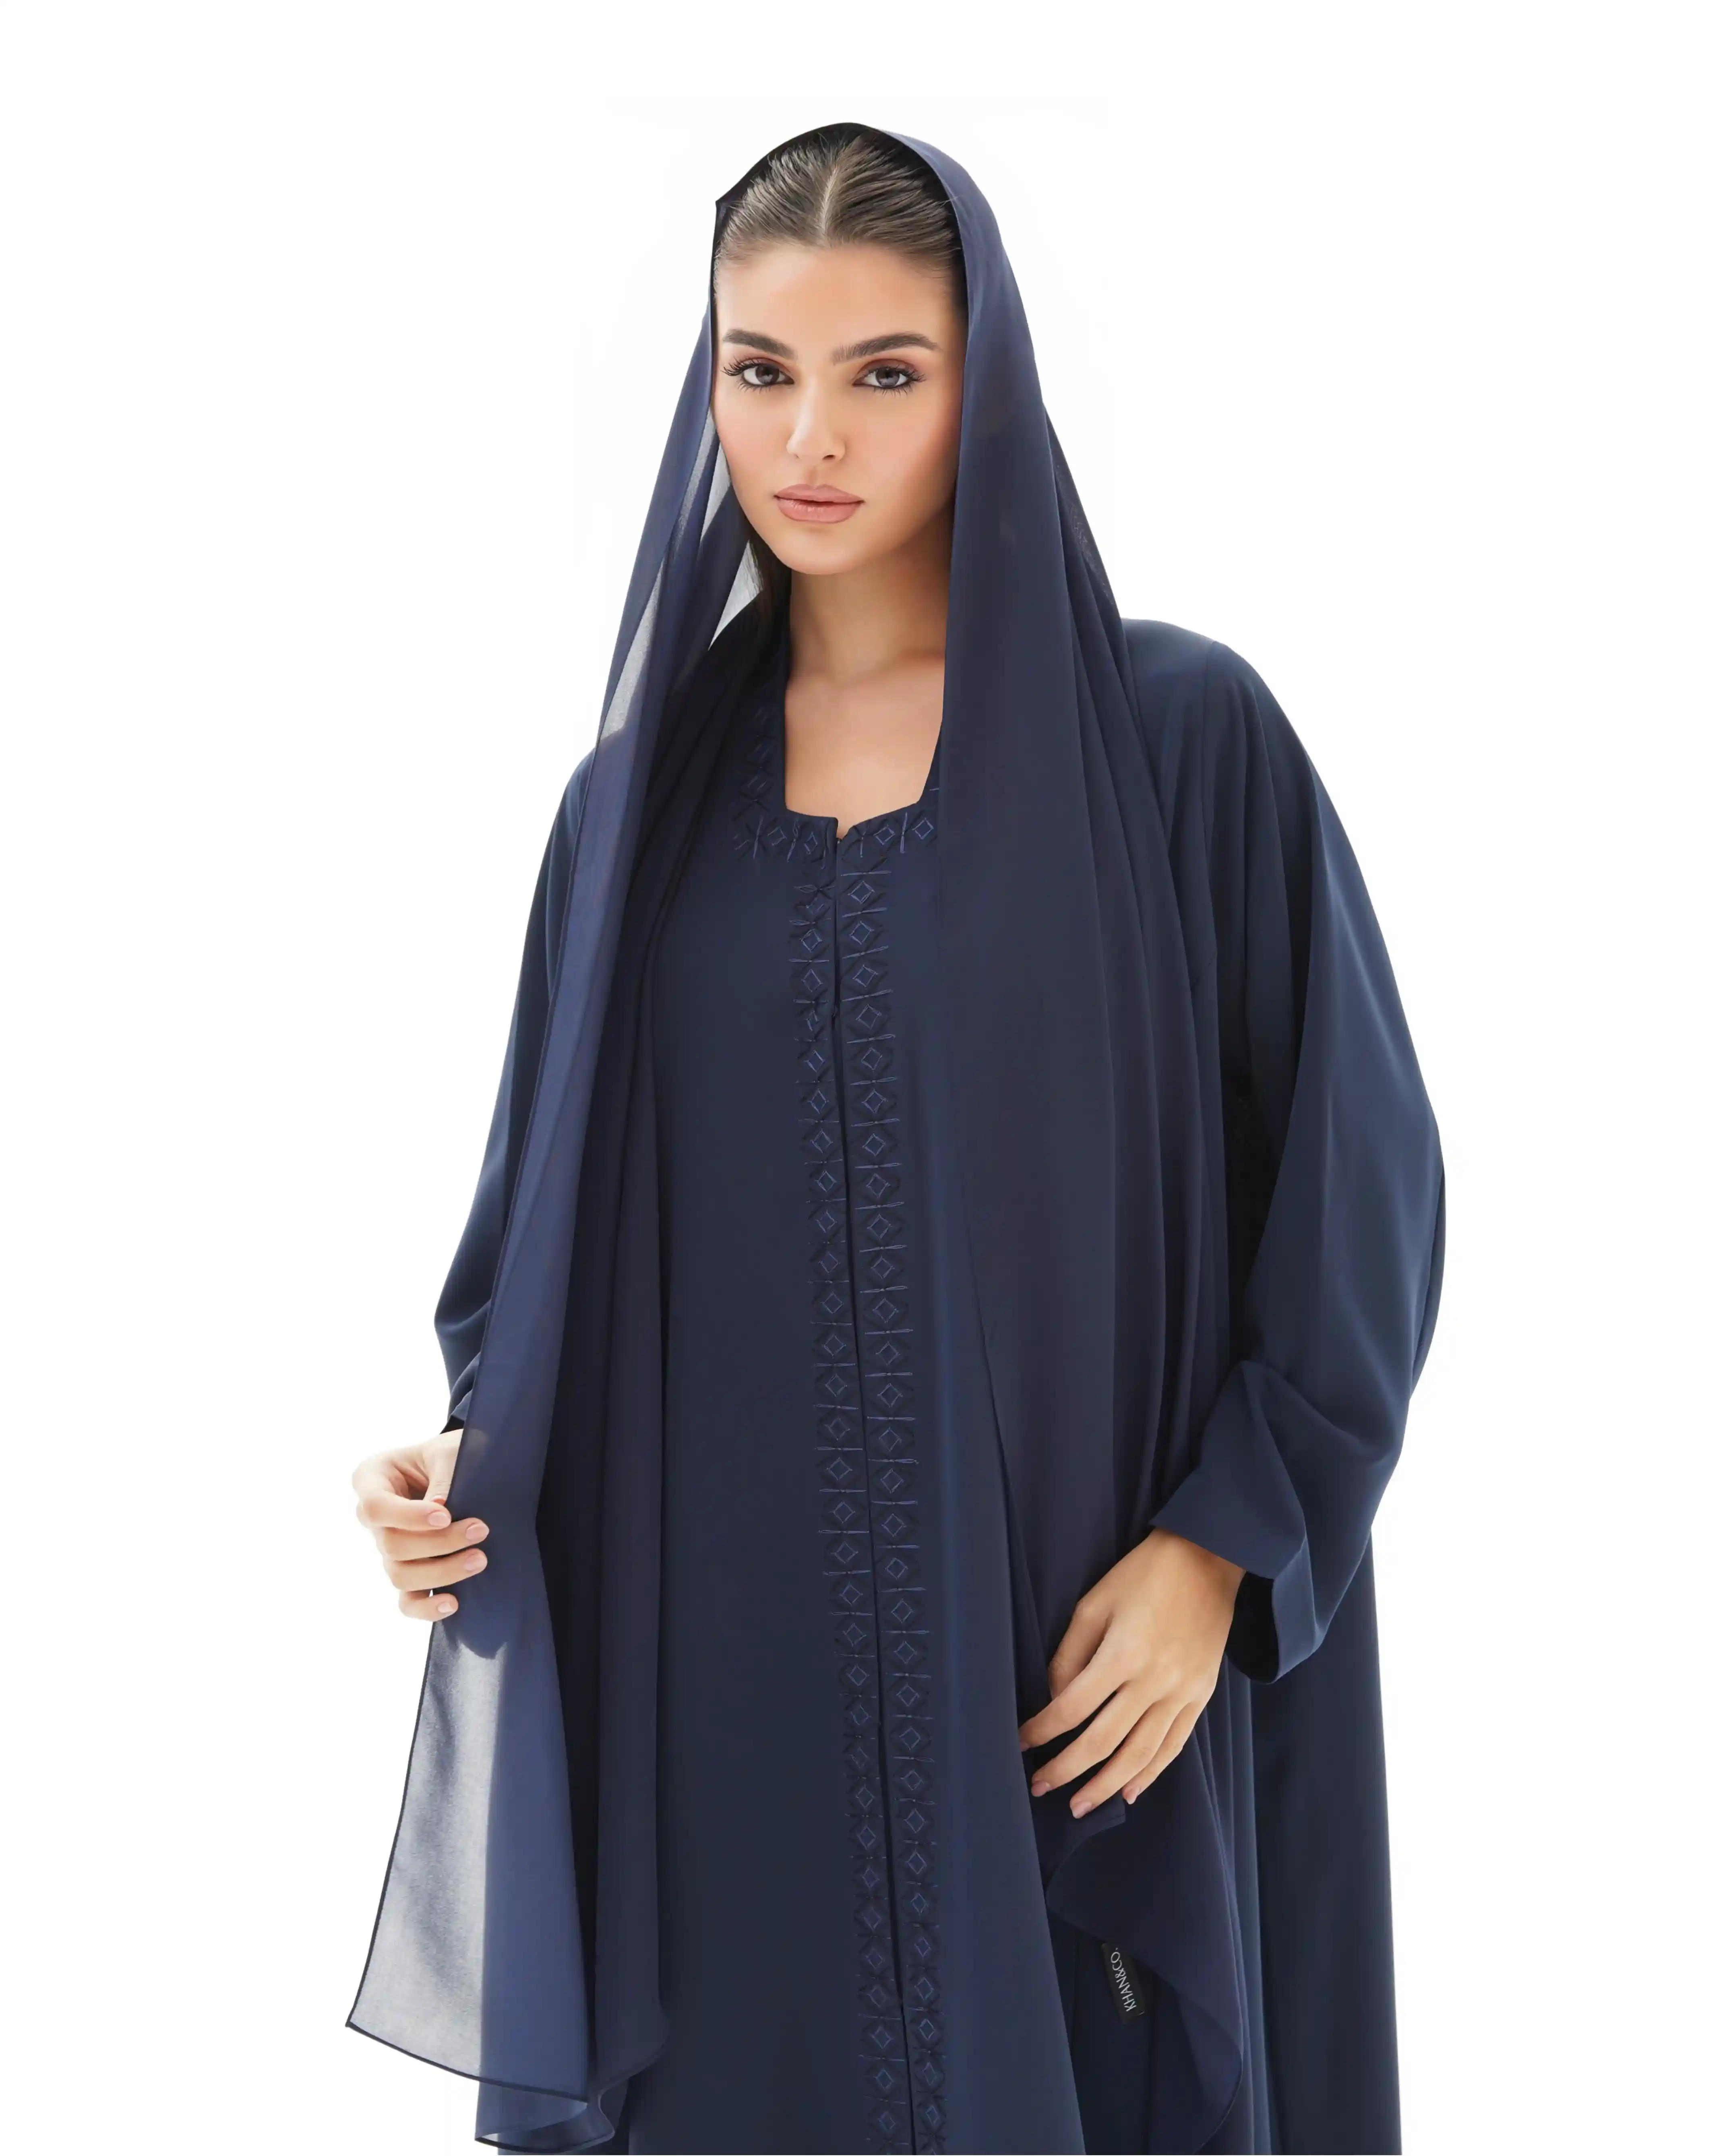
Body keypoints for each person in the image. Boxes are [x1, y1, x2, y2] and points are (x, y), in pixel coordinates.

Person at [345, 122, 1446, 2156]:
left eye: (884, 372)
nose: (812, 438)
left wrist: (1222, 1551)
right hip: (728, 1719)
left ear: (985, 386)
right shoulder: (632, 820)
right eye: (760, 370)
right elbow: (541, 1243)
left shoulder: (1175, 746)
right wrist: (466, 1452)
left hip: (1074, 1704)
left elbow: (1357, 1193)